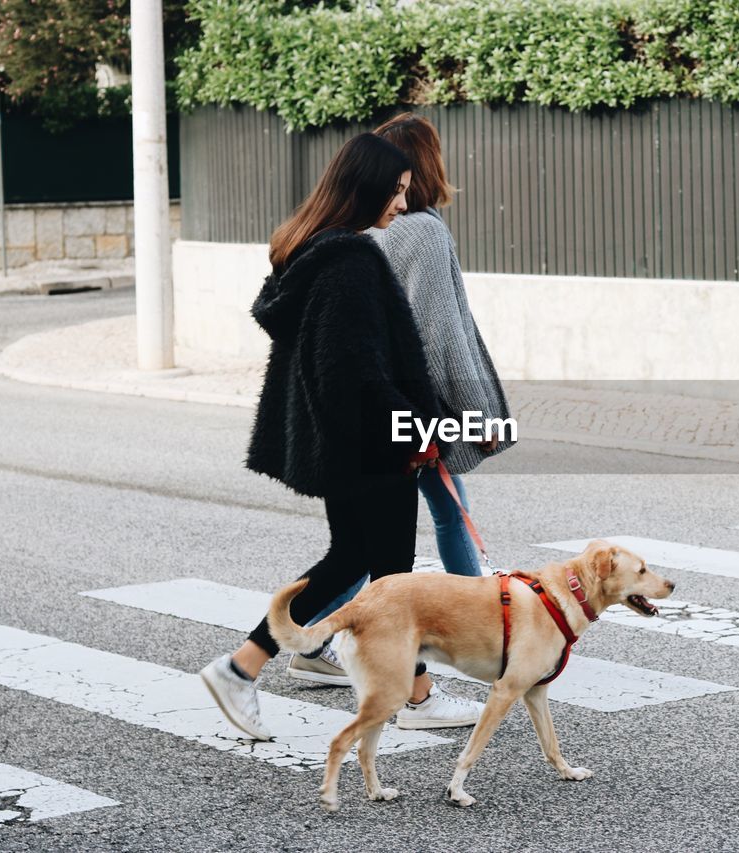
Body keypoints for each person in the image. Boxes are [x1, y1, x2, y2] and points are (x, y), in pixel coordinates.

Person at [199, 132, 484, 741]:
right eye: (397, 193)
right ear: (366, 188)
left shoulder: (311, 251)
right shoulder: (350, 262)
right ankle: (413, 694)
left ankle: (245, 668)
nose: (403, 207)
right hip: (371, 443)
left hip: (343, 443)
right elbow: (354, 371)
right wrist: (419, 430)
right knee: (388, 574)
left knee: (358, 563)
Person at [283, 113, 515, 689]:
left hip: (371, 406)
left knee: (411, 521)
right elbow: (441, 333)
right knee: (389, 540)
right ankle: (477, 638)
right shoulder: (426, 232)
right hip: (415, 406)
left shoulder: (366, 231)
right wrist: (477, 413)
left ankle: (294, 642)